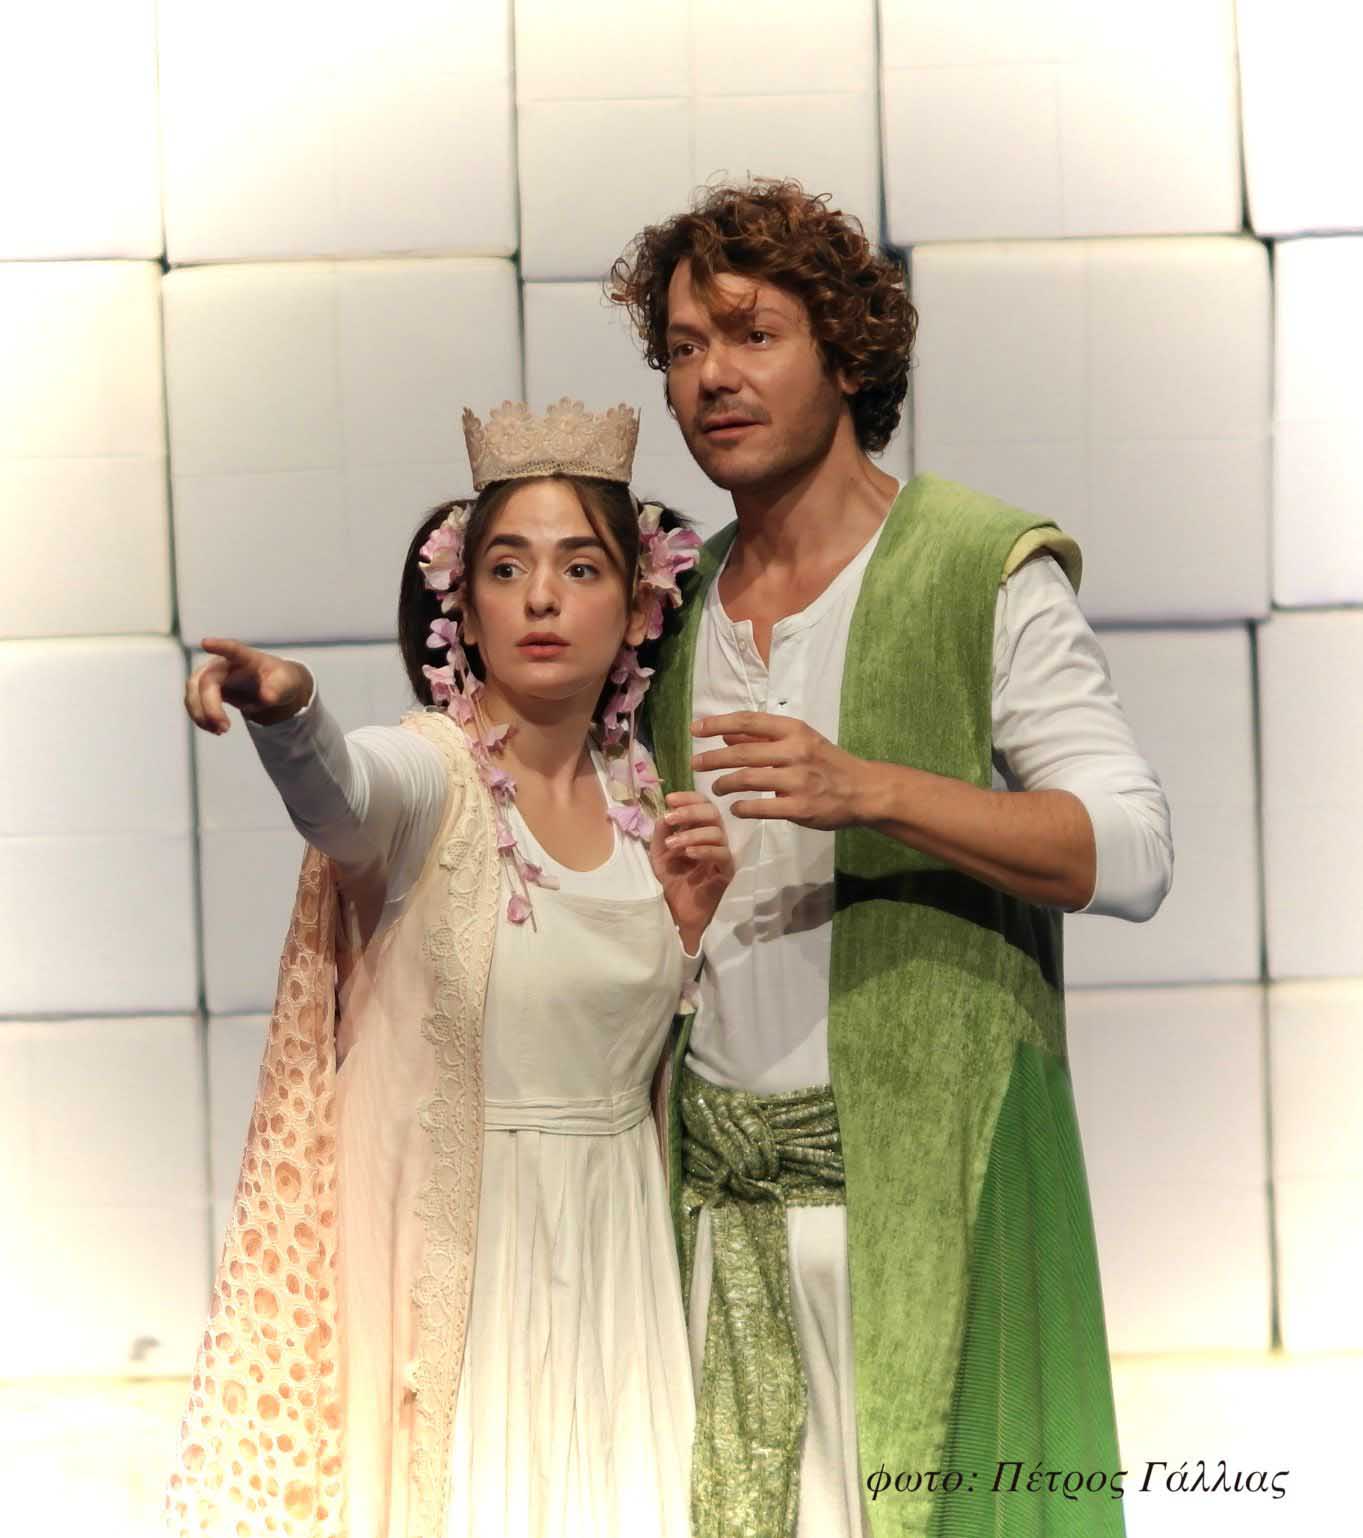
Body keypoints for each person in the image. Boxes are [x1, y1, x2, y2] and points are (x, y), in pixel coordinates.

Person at [608, 181, 1175, 1538]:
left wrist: (868, 788)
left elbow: (1133, 848)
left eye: (750, 334)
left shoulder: (977, 567)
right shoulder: (668, 611)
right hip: (714, 1219)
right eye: (681, 348)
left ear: (848, 354)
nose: (710, 377)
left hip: (927, 1191)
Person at [164, 400, 735, 1538]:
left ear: (638, 604)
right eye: (506, 568)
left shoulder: (648, 797)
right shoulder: (433, 775)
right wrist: (293, 716)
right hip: (465, 1247)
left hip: (613, 1241)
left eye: (580, 567)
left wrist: (688, 929)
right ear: (462, 605)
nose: (540, 598)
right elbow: (345, 797)